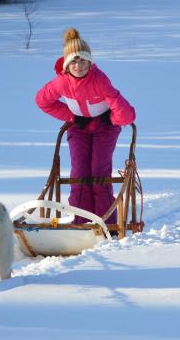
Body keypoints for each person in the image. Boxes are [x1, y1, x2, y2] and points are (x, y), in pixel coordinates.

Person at [35, 28, 136, 224]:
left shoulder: (99, 79)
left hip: (104, 127)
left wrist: (111, 118)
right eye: (73, 61)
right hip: (79, 128)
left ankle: (107, 224)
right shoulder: (61, 82)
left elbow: (128, 115)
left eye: (82, 60)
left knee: (99, 173)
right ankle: (81, 223)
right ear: (66, 64)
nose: (78, 66)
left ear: (90, 61)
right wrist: (72, 116)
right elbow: (42, 101)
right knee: (79, 174)